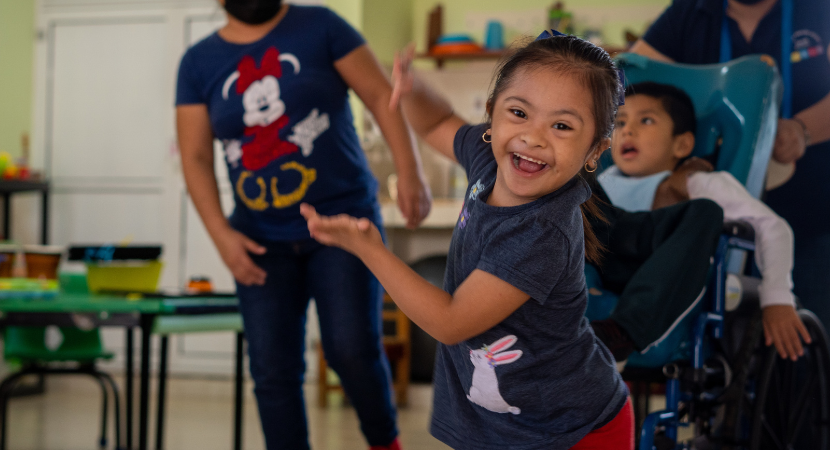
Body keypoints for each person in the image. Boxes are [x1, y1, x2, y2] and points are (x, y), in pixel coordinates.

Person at [300, 32, 633, 450]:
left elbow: (450, 322)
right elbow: (437, 122)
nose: (533, 137)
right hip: (507, 426)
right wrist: (415, 90)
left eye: (562, 125)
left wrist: (370, 250)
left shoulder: (541, 232)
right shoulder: (485, 159)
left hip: (572, 430)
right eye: (519, 113)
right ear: (492, 116)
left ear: (594, 150)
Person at [175, 0, 432, 449]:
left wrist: (410, 171)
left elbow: (378, 96)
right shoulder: (197, 63)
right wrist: (221, 236)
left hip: (344, 226)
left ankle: (384, 443)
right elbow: (194, 156)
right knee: (273, 370)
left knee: (352, 350)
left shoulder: (321, 25)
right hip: (258, 239)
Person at [629, 0, 830, 330]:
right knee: (719, 342)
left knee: (807, 340)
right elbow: (630, 79)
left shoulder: (819, 9)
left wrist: (802, 130)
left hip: (812, 210)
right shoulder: (690, 11)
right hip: (714, 217)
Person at [591, 82, 810, 362]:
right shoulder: (598, 184)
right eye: (619, 122)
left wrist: (777, 297)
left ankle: (622, 331)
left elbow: (773, 227)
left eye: (646, 120)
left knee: (705, 211)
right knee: (574, 189)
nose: (627, 130)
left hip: (666, 277)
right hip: (603, 262)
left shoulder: (698, 182)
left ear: (682, 144)